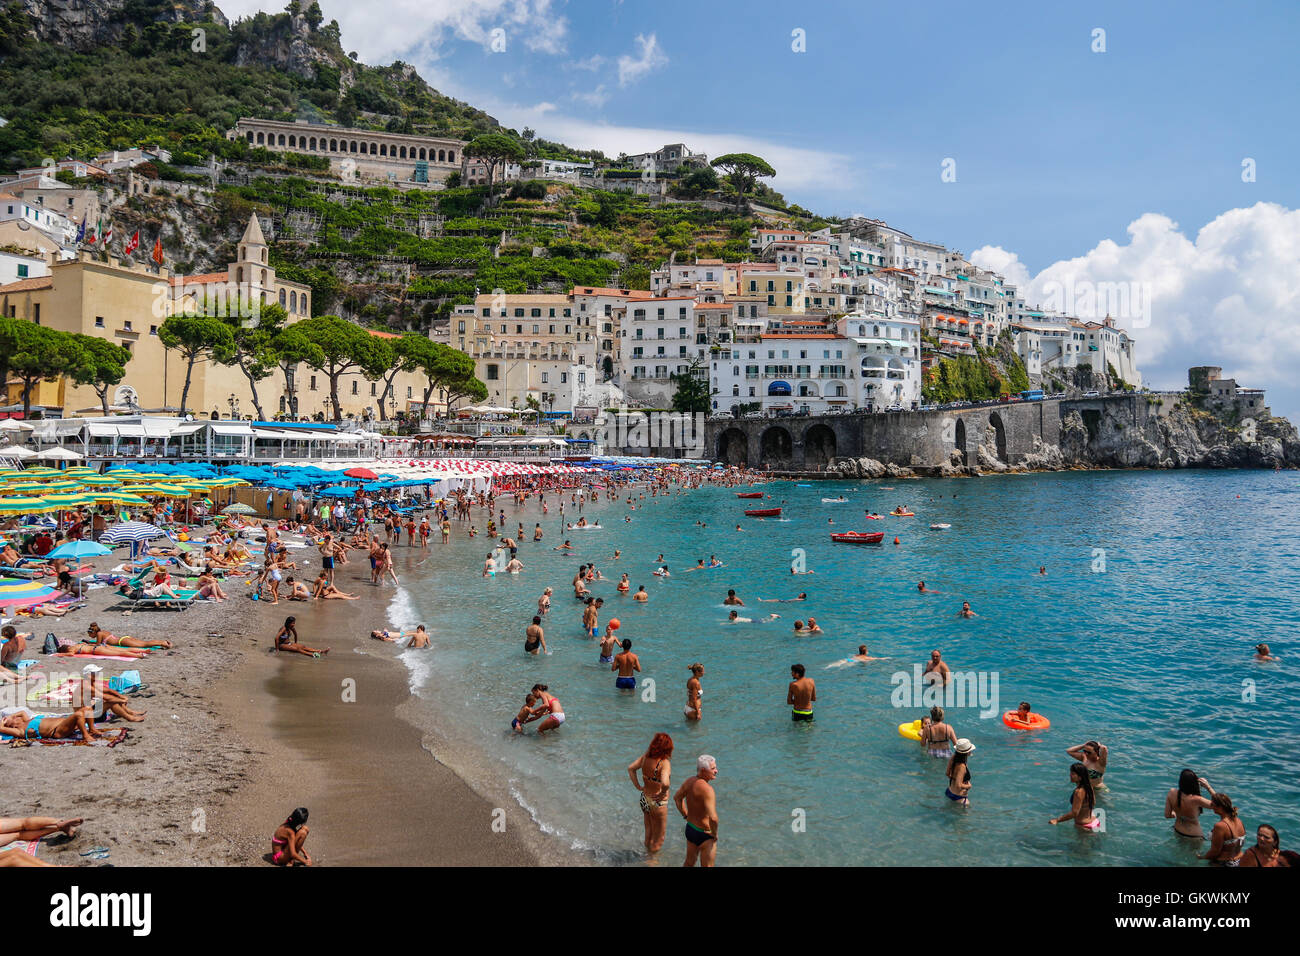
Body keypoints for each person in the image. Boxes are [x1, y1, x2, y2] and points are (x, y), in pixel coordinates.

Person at [628, 733, 673, 854]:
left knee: (649, 831)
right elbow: (665, 783)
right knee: (659, 839)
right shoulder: (664, 763)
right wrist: (663, 793)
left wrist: (638, 786)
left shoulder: (645, 757)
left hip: (644, 798)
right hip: (657, 803)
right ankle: (651, 861)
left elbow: (631, 768)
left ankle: (646, 854)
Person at [673, 754, 719, 868]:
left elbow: (677, 798)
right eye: (713, 769)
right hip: (705, 834)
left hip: (691, 829)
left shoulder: (689, 782)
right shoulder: (708, 790)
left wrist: (685, 815)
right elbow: (713, 818)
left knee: (689, 863)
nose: (716, 771)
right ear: (703, 770)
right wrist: (714, 833)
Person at [1164, 769, 1216, 838]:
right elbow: (1220, 803)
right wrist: (1208, 787)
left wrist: (1177, 814)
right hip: (1194, 836)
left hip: (1177, 831)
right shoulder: (1196, 799)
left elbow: (1167, 815)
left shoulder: (1172, 792)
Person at [1049, 763, 1100, 830]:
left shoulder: (1078, 792)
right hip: (1094, 821)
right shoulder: (1089, 786)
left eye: (1073, 774)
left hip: (1084, 826)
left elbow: (1074, 813)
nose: (1070, 775)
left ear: (1080, 777)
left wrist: (1057, 820)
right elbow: (1093, 803)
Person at [1201, 793, 1246, 865]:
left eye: (1212, 805)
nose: (1211, 807)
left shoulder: (1220, 826)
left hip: (1224, 863)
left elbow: (1215, 852)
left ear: (1220, 807)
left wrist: (1201, 857)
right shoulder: (1239, 821)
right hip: (1240, 860)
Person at [83, 622, 172, 650]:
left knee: (144, 644)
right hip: (124, 638)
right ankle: (163, 642)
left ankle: (163, 644)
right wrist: (89, 642)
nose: (90, 636)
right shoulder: (103, 632)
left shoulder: (99, 634)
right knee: (144, 643)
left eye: (90, 635)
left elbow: (98, 645)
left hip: (122, 642)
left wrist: (89, 644)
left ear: (93, 632)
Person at [945, 739, 975, 806]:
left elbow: (947, 773)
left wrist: (955, 777)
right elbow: (958, 785)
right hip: (959, 797)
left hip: (949, 791)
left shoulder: (953, 757)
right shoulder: (962, 766)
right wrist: (968, 786)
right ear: (967, 752)